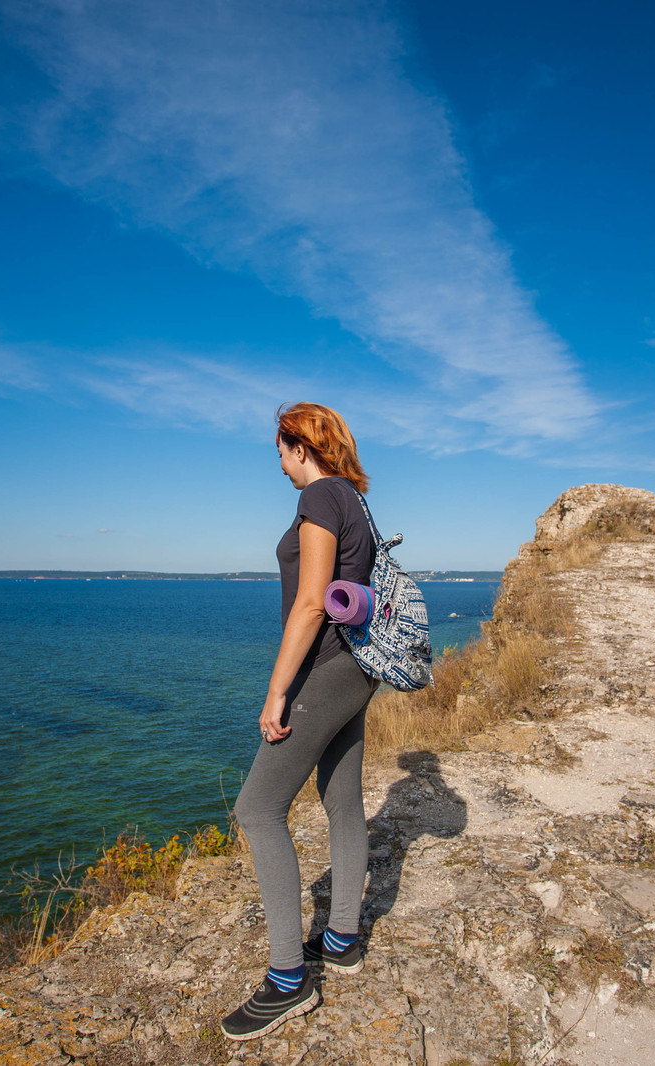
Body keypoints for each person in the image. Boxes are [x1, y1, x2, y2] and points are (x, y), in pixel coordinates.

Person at [222, 402, 380, 1042]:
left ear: (301, 447)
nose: (280, 464)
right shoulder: (356, 502)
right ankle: (341, 937)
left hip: (325, 669)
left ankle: (288, 979)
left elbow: (312, 605)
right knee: (342, 798)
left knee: (257, 809)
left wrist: (277, 692)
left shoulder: (319, 499)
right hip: (358, 668)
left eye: (281, 452)